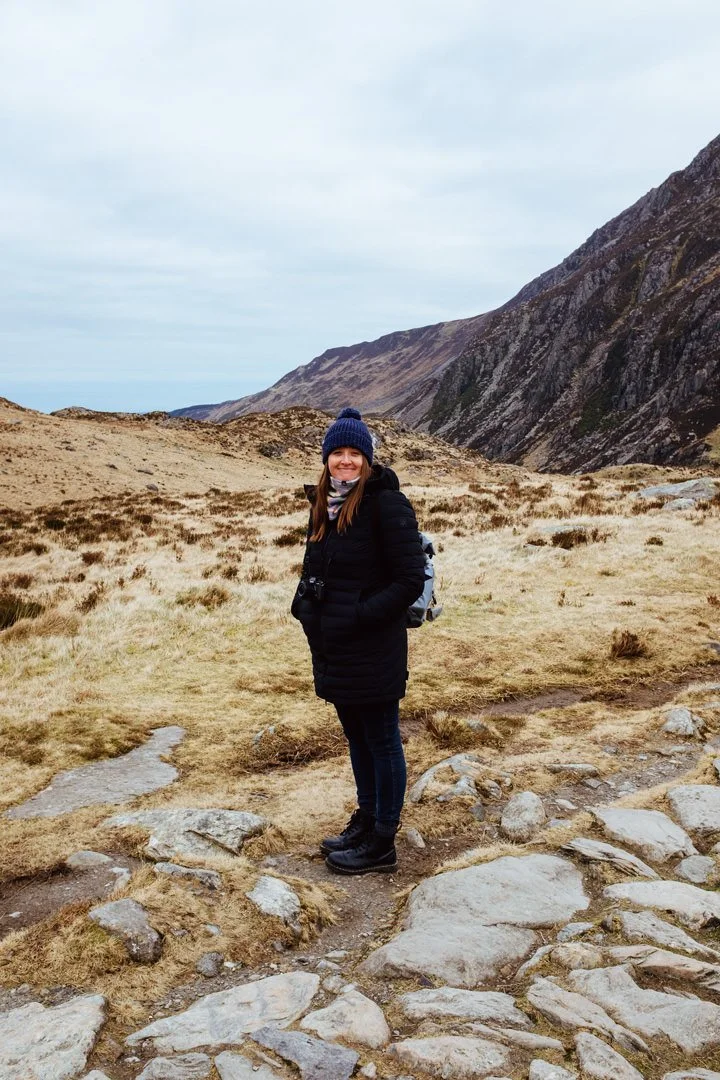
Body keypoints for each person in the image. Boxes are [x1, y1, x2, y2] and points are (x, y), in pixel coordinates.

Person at [291, 407, 426, 875]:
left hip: (372, 644)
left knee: (382, 739)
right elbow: (316, 571)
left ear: (367, 460)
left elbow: (409, 579)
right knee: (356, 737)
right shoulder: (324, 503)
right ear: (326, 459)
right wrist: (304, 608)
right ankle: (365, 822)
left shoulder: (387, 503)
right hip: (335, 645)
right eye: (338, 453)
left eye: (354, 454)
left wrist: (358, 614)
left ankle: (382, 842)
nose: (345, 461)